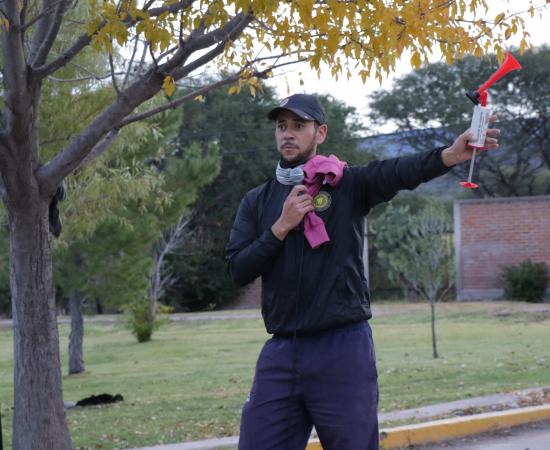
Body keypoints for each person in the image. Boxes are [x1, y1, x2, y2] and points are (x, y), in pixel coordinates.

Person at [225, 94, 499, 450]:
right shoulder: (257, 201)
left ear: (320, 132)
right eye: (281, 126)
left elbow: (397, 171)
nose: (287, 134)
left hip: (342, 348)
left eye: (298, 126)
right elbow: (237, 270)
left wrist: (448, 156)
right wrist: (280, 227)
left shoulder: (347, 185)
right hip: (281, 352)